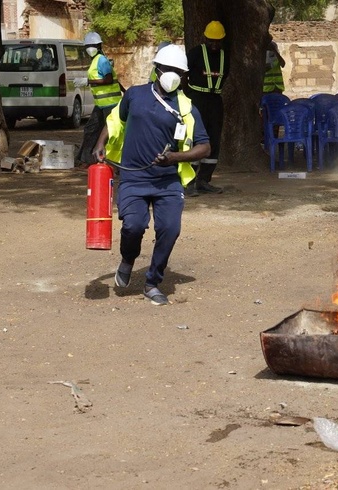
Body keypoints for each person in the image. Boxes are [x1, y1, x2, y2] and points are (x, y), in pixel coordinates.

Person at [93, 44, 211, 306]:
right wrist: (101, 142)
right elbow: (114, 120)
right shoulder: (135, 95)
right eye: (168, 69)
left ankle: (152, 282)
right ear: (157, 70)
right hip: (134, 179)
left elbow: (205, 146)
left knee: (170, 229)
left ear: (185, 76)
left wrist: (175, 158)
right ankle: (127, 259)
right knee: (133, 226)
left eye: (179, 72)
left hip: (167, 181)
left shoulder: (186, 107)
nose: (173, 75)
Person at [185, 20, 229, 194]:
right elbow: (184, 75)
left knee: (214, 141)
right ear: (205, 38)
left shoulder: (225, 56)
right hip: (196, 99)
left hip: (215, 100)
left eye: (217, 41)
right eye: (211, 40)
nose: (214, 44)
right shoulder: (195, 53)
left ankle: (204, 180)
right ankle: (189, 182)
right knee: (194, 139)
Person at [75, 32, 122, 167]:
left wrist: (88, 81)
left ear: (99, 45)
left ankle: (112, 161)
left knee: (111, 133)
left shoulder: (101, 60)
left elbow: (108, 79)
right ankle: (87, 159)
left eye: (93, 45)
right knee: (91, 129)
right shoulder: (96, 60)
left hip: (110, 104)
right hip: (101, 104)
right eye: (88, 46)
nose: (90, 48)